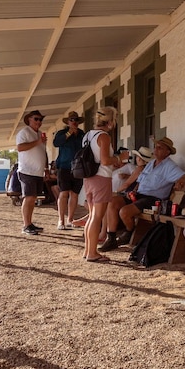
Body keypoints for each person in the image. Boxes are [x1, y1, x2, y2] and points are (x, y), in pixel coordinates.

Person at [99, 137, 185, 252]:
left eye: (160, 148)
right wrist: (134, 191)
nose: (156, 150)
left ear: (167, 152)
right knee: (112, 202)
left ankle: (129, 232)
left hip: (153, 199)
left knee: (124, 212)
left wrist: (180, 181)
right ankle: (111, 238)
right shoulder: (151, 163)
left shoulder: (170, 166)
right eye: (155, 147)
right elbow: (140, 180)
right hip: (140, 195)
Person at [81, 107, 130, 262]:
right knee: (97, 216)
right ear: (110, 122)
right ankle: (92, 253)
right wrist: (119, 157)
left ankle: (88, 250)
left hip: (89, 178)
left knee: (91, 216)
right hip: (101, 179)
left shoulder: (87, 135)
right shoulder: (104, 136)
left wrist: (111, 161)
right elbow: (104, 161)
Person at [15, 110, 49, 235]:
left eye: (41, 119)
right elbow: (20, 147)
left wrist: (46, 168)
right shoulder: (24, 132)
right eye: (36, 119)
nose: (39, 122)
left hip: (38, 172)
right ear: (29, 119)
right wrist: (38, 142)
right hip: (27, 170)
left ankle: (30, 223)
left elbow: (43, 152)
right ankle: (26, 225)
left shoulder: (40, 134)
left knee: (33, 198)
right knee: (28, 197)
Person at [52, 111, 85, 230]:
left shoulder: (82, 134)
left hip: (78, 167)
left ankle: (70, 219)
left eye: (76, 120)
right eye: (72, 120)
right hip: (64, 166)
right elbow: (56, 143)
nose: (74, 122)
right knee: (63, 193)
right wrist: (69, 132)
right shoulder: (61, 133)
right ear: (68, 121)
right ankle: (61, 220)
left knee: (74, 194)